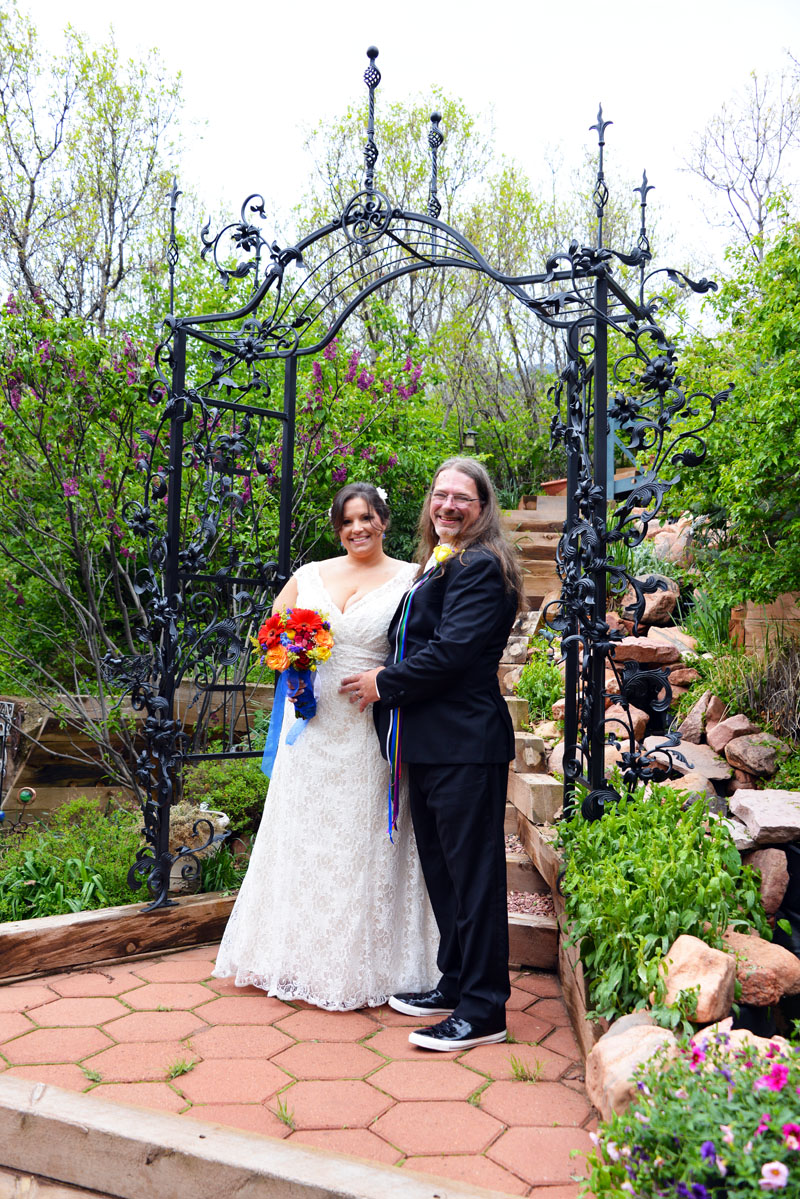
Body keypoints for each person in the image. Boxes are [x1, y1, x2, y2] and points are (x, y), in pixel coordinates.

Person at [213, 483, 439, 1010]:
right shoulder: (309, 575)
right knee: (305, 837)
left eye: (366, 518)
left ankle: (367, 964)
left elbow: (425, 646)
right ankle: (293, 957)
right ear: (338, 528)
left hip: (367, 728)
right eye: (346, 522)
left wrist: (385, 677)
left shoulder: (412, 578)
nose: (357, 529)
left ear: (385, 519)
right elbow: (273, 630)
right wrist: (290, 653)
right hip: (310, 729)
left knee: (361, 842)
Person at [340, 458, 522, 1050]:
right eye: (440, 495)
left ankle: (485, 1009)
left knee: (473, 880)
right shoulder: (440, 564)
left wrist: (382, 683)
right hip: (432, 742)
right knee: (444, 874)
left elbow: (452, 654)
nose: (448, 506)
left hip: (466, 744)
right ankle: (454, 983)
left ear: (483, 507)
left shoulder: (481, 569)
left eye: (461, 498)